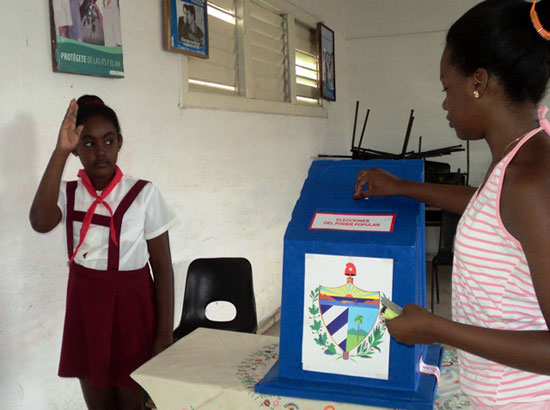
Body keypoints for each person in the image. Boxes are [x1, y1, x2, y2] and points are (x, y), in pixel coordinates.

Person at [354, 0, 550, 408]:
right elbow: (490, 208)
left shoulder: (533, 178)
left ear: (479, 81)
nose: (444, 104)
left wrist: (438, 329)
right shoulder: (518, 158)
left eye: (447, 88)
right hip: (491, 391)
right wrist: (403, 187)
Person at [29, 96, 177, 410]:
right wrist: (60, 151)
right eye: (88, 143)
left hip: (133, 310)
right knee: (98, 402)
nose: (100, 152)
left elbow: (162, 268)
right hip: (85, 307)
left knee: (132, 400)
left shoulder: (143, 194)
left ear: (119, 142)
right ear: (76, 148)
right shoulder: (69, 193)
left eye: (108, 141)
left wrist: (164, 335)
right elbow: (40, 222)